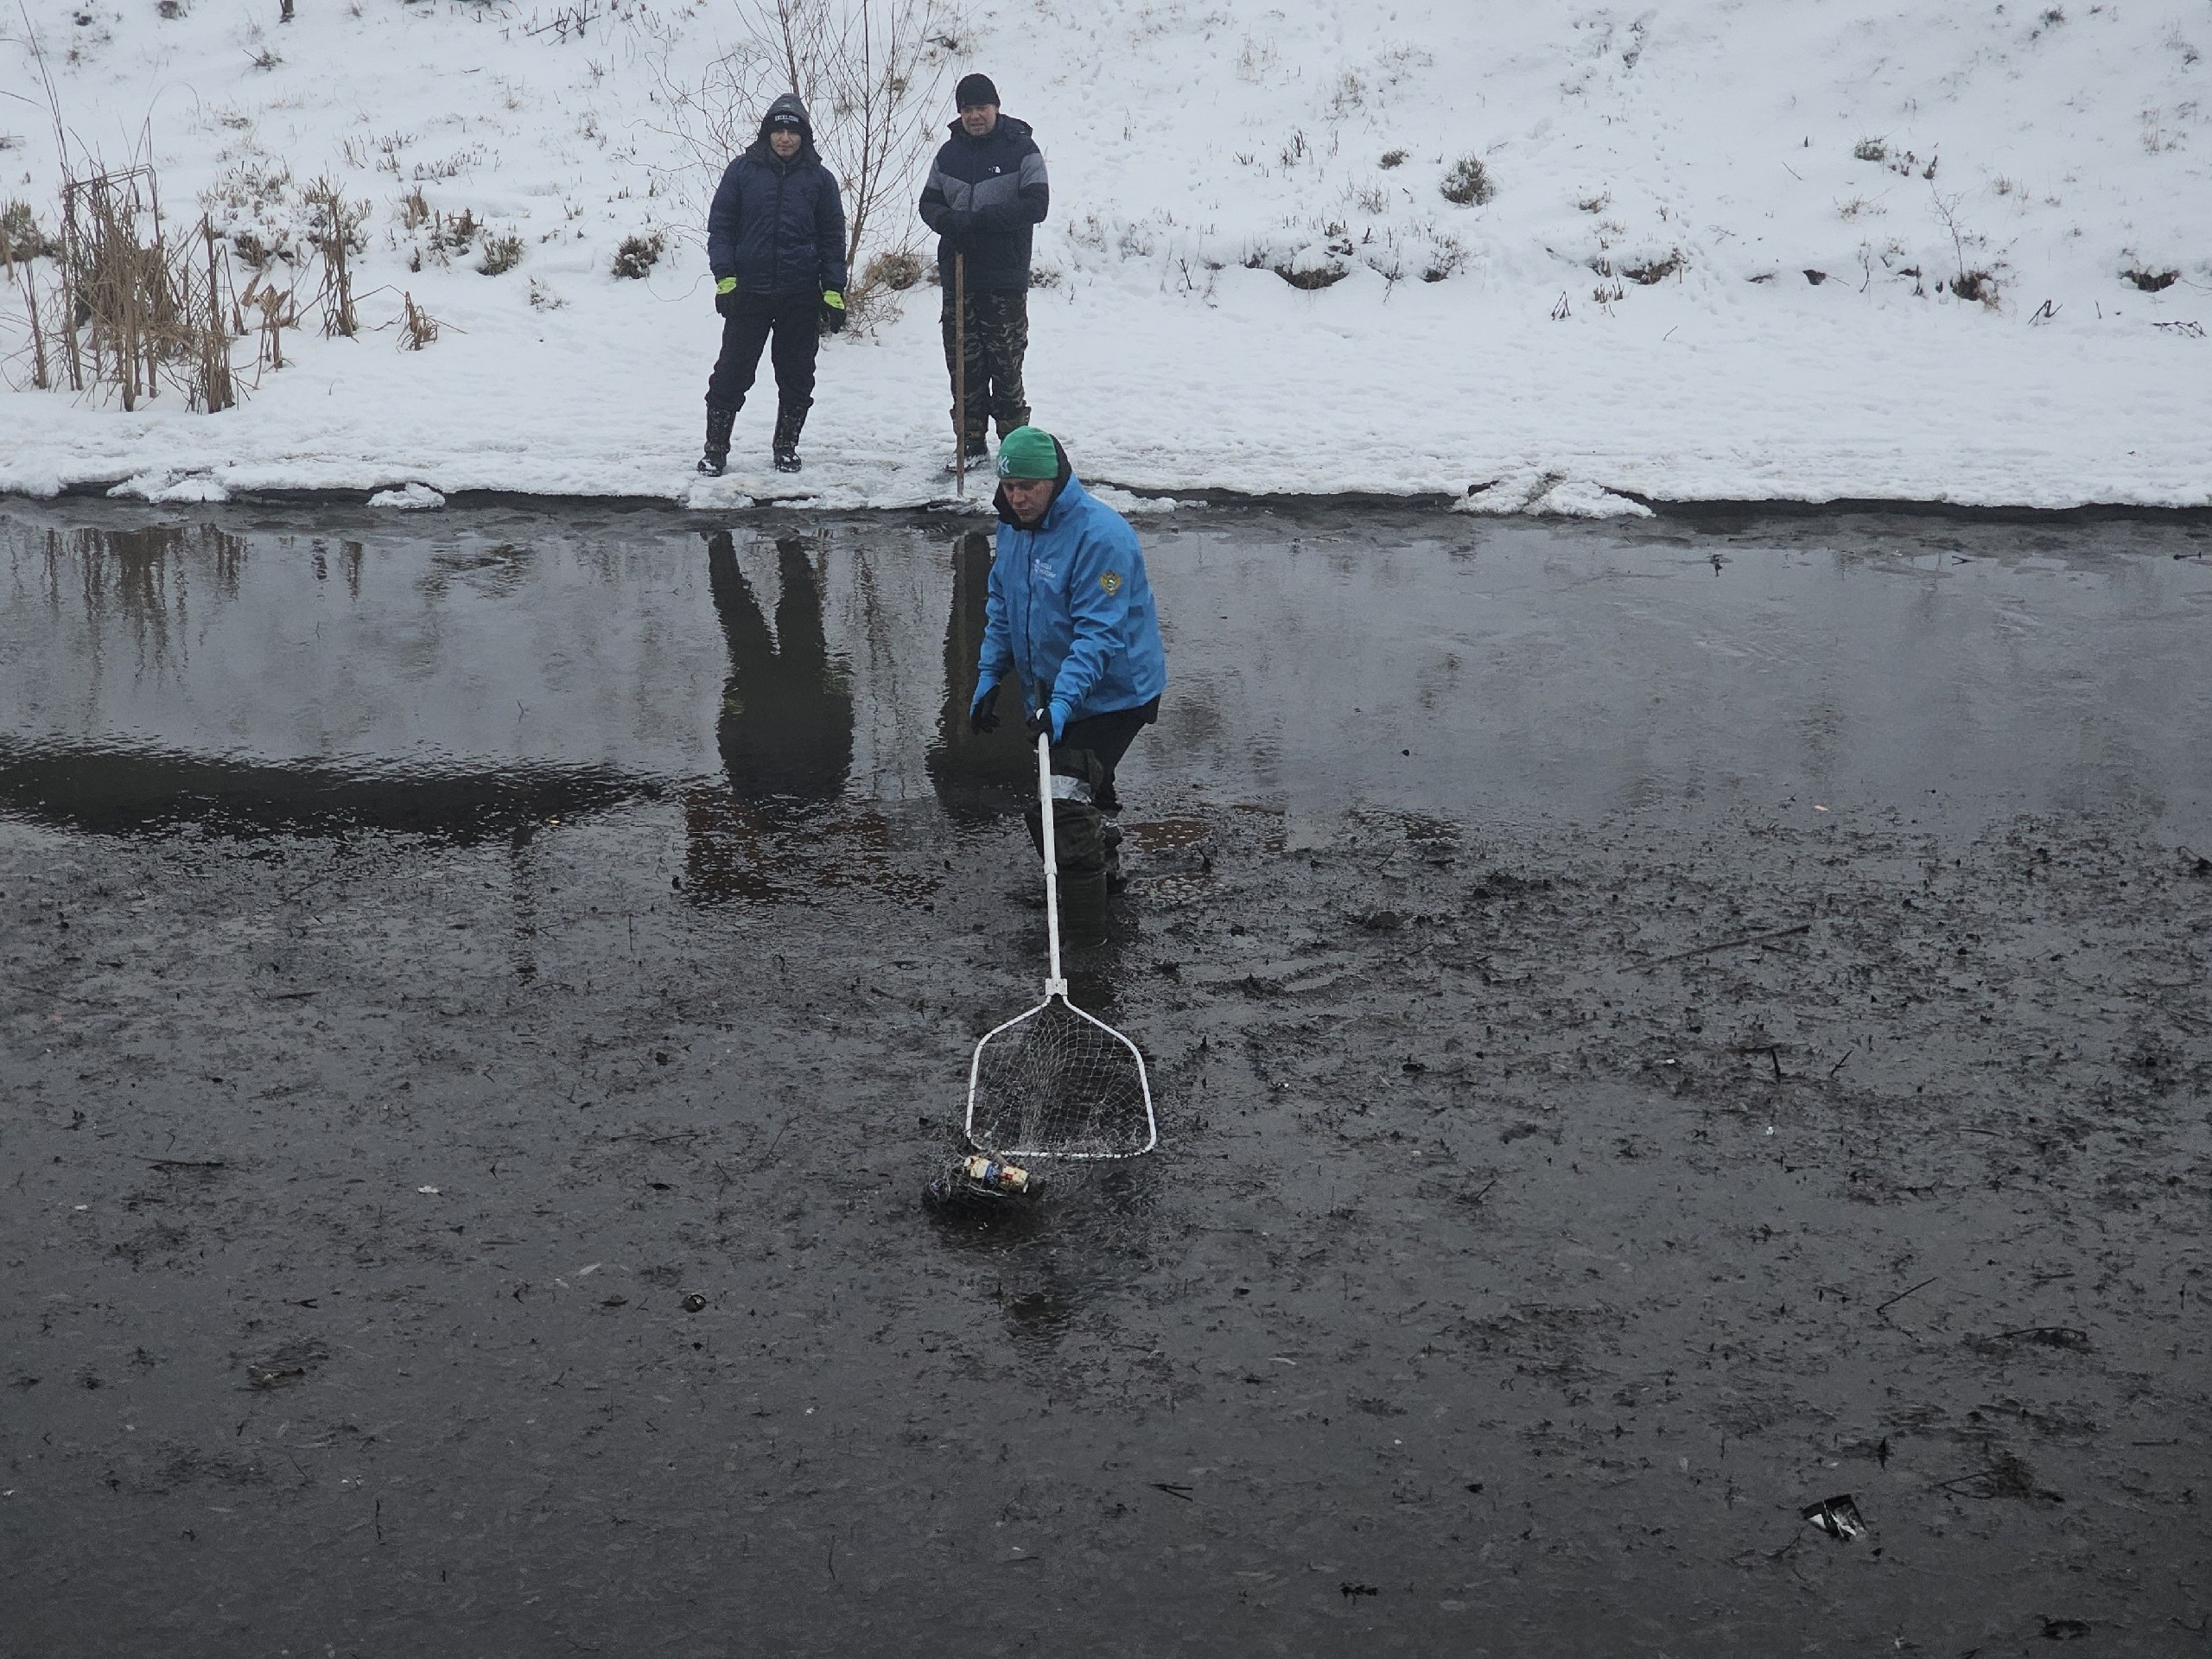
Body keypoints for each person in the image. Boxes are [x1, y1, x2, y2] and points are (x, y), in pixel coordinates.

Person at [968, 427, 1166, 917]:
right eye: (1009, 488)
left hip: (1116, 693)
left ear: (1054, 482)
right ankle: (1107, 867)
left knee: (1059, 808)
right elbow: (1002, 602)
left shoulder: (1102, 538)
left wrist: (1060, 705)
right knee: (1082, 781)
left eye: (1028, 488)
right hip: (1056, 692)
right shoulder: (1013, 526)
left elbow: (1098, 636)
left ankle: (1084, 931)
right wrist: (990, 674)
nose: (1016, 499)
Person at [701, 93, 848, 477]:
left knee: (797, 375)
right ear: (767, 134)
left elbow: (834, 239)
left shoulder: (821, 180)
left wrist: (832, 290)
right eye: (778, 130)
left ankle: (786, 447)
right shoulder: (741, 172)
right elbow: (721, 228)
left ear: (804, 136)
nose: (785, 138)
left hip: (800, 295)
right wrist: (726, 279)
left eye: (792, 131)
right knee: (732, 372)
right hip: (748, 293)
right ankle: (716, 448)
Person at [918, 73, 1049, 470]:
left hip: (1003, 276)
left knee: (1005, 363)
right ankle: (970, 443)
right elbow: (929, 203)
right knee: (963, 362)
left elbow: (1037, 204)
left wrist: (983, 220)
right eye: (967, 109)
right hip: (959, 276)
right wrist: (949, 221)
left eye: (981, 108)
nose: (975, 116)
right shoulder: (949, 154)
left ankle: (1014, 444)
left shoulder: (1021, 149)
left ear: (996, 107)